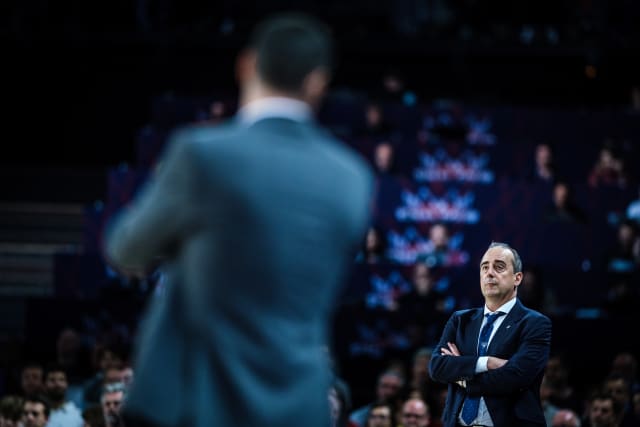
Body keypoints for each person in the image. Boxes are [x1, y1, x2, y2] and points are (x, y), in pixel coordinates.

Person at [104, 12, 373, 427]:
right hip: (299, 406)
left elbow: (126, 250)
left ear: (247, 65)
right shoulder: (352, 177)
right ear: (318, 82)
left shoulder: (202, 154)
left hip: (200, 398)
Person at [429, 242, 552, 427]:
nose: (490, 273)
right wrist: (486, 362)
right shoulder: (460, 320)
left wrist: (462, 375)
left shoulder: (535, 323)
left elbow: (515, 377)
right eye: (484, 267)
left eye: (499, 267)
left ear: (517, 278)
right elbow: (437, 367)